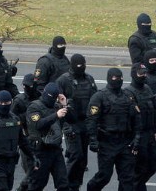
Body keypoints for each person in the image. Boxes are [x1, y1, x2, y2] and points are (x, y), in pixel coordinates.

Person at [86, 68, 141, 191]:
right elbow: (91, 120)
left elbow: (137, 119)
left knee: (127, 179)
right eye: (115, 78)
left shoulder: (128, 96)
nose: (118, 80)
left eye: (120, 78)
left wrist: (137, 138)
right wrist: (93, 139)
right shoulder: (99, 97)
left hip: (125, 142)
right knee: (104, 176)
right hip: (107, 143)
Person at [55, 54, 96, 191]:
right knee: (75, 155)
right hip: (71, 123)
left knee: (83, 160)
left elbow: (95, 99)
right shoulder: (63, 80)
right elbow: (58, 102)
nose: (81, 67)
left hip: (86, 123)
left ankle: (75, 185)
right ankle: (64, 186)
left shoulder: (89, 79)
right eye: (78, 65)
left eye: (83, 64)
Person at [0, 90, 35, 191]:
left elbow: (23, 142)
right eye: (1, 103)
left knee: (6, 188)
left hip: (10, 161)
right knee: (2, 188)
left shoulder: (15, 120)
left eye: (6, 103)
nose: (3, 106)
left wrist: (33, 156)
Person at [26, 82, 73, 191]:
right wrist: (56, 115)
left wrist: (64, 105)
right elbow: (38, 124)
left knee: (63, 183)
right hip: (40, 150)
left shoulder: (57, 107)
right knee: (37, 184)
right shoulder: (34, 107)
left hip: (55, 150)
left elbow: (70, 120)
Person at [125, 63, 156, 191]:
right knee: (140, 168)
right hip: (138, 135)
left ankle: (138, 186)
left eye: (145, 73)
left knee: (152, 166)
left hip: (150, 133)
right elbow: (132, 117)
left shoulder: (147, 89)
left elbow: (155, 110)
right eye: (141, 73)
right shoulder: (128, 92)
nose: (144, 76)